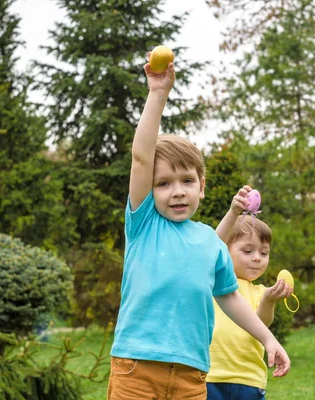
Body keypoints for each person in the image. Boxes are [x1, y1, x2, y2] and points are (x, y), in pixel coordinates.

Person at [106, 59, 290, 400]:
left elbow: (230, 295)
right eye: (163, 183)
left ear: (201, 186)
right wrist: (158, 93)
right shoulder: (144, 224)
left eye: (187, 181)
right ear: (149, 189)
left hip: (192, 375)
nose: (177, 191)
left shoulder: (210, 240)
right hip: (137, 367)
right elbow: (142, 158)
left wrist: (268, 337)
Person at [207, 185, 294, 400]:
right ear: (225, 251)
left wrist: (269, 300)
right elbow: (212, 247)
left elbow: (260, 323)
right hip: (210, 375)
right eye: (247, 251)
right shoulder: (210, 281)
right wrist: (233, 212)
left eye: (264, 253)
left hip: (248, 378)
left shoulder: (260, 291)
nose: (257, 257)